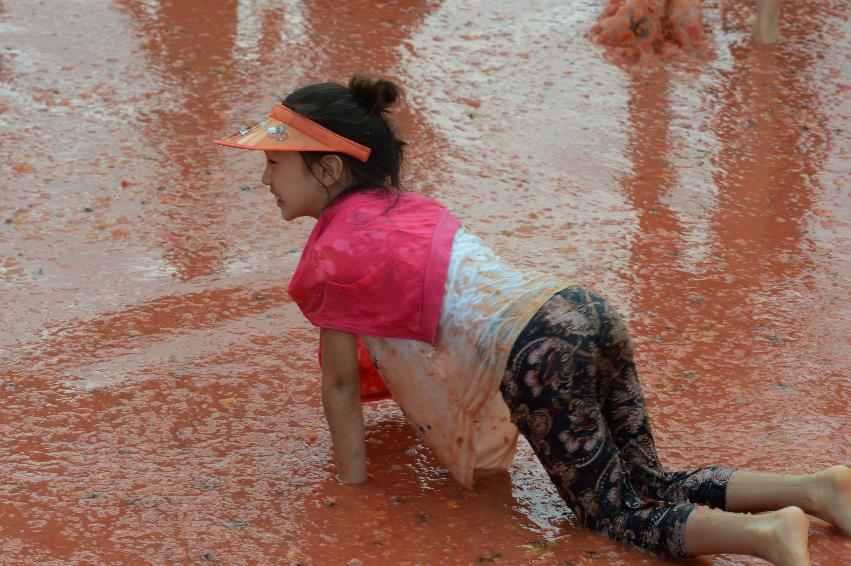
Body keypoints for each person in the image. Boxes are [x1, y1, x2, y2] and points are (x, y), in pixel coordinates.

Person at [214, 76, 850, 565]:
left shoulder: (331, 256)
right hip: (582, 307)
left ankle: (766, 534)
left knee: (616, 513)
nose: (263, 178)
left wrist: (350, 488)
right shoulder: (410, 206)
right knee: (650, 478)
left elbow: (340, 386)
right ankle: (817, 490)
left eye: (274, 163)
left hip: (538, 353)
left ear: (327, 169)